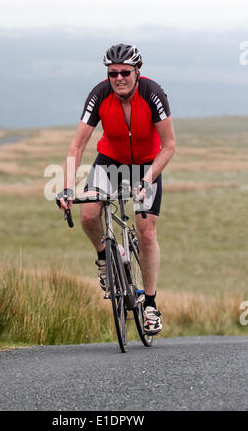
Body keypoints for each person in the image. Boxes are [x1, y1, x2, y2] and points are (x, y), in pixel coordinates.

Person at [57, 43, 175, 336]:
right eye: (112, 73)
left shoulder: (152, 94)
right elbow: (77, 145)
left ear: (137, 72)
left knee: (146, 232)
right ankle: (104, 257)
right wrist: (67, 187)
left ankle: (149, 305)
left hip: (147, 165)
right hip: (110, 162)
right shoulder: (99, 95)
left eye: (125, 72)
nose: (119, 78)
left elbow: (170, 145)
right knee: (87, 215)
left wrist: (147, 180)